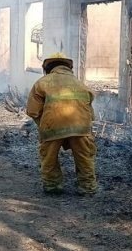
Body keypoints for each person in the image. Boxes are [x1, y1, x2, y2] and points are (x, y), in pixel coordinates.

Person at [25, 52, 98, 196]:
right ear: (68, 67)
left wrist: (44, 125)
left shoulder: (42, 82)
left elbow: (32, 111)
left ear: (48, 67)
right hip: (81, 128)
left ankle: (53, 187)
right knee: (84, 158)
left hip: (52, 127)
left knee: (49, 159)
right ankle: (87, 188)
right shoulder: (80, 84)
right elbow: (91, 113)